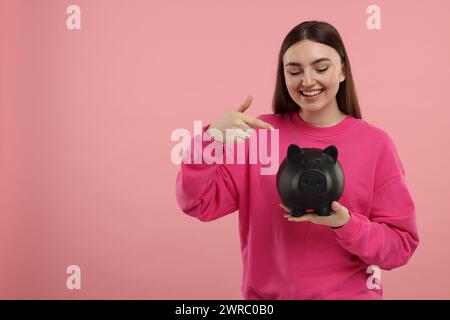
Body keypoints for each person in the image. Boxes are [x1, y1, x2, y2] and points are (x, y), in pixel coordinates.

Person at [175, 20, 419, 300]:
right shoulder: (260, 135)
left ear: (342, 71)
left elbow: (400, 246)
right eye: (294, 71)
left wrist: (345, 224)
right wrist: (210, 139)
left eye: (321, 68)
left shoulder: (376, 144)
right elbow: (197, 204)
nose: (307, 81)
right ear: (284, 76)